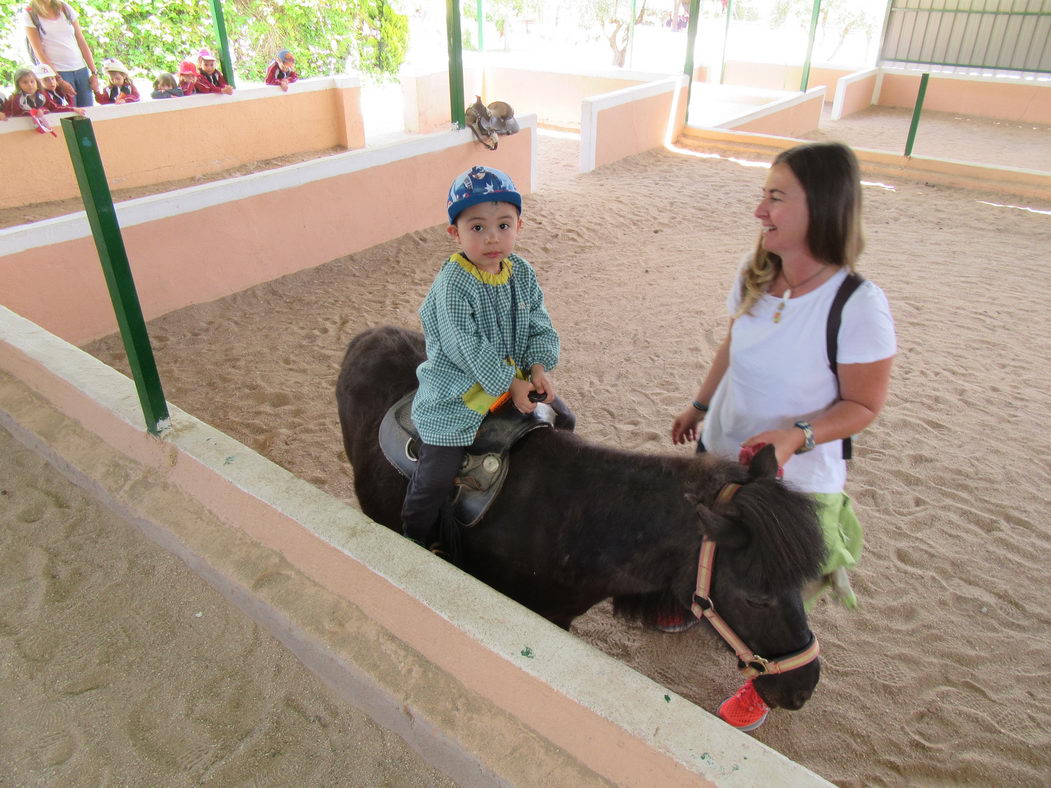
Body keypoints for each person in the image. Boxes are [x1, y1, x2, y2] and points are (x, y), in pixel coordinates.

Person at [669, 141, 895, 731]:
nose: (759, 210)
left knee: (777, 592)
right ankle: (696, 612)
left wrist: (797, 435)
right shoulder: (757, 273)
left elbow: (863, 404)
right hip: (723, 452)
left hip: (792, 478)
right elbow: (733, 341)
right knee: (711, 551)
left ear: (820, 207)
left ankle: (765, 686)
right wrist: (700, 403)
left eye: (775, 197)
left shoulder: (857, 305)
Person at [402, 165, 573, 548]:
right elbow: (466, 347)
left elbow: (537, 325)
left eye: (503, 225)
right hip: (458, 391)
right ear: (455, 233)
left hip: (512, 378)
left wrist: (539, 369)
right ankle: (413, 541)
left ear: (519, 226)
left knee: (566, 419)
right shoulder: (452, 285)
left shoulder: (521, 272)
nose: (492, 237)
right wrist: (512, 384)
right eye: (477, 227)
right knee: (434, 477)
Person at [20, 0, 99, 107]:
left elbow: (81, 40)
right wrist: (58, 79)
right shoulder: (30, 14)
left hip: (81, 70)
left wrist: (94, 73)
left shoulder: (65, 7)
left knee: (88, 113)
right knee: (69, 115)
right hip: (58, 72)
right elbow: (38, 51)